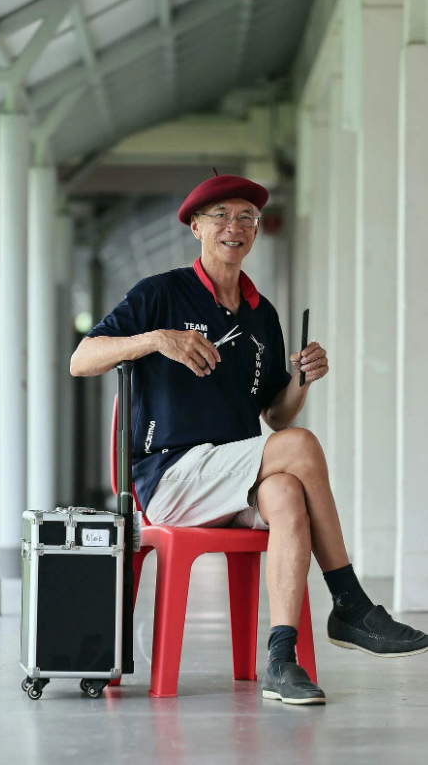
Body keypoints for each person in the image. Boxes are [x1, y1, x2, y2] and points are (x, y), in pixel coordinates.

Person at [70, 171, 428, 706]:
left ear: (257, 231)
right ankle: (349, 603)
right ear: (195, 226)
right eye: (220, 216)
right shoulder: (160, 293)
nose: (234, 227)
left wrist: (302, 381)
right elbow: (82, 360)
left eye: (247, 218)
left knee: (286, 492)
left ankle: (282, 660)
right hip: (172, 477)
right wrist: (155, 340)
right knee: (302, 449)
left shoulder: (264, 316)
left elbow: (277, 417)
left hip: (233, 475)